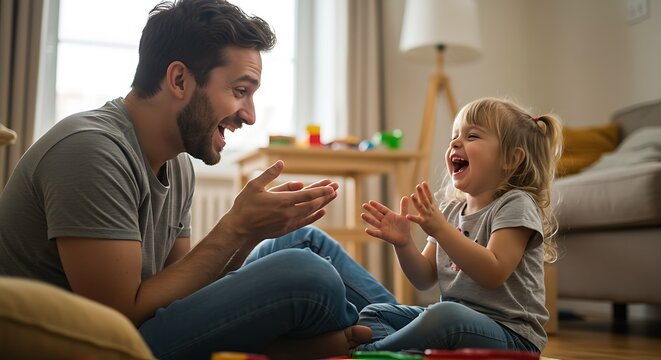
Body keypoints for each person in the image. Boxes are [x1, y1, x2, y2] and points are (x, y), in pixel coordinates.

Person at [0, 0, 397, 359]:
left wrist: (250, 235)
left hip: (144, 326)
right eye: (240, 90)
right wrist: (234, 226)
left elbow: (184, 291)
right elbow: (116, 320)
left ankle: (409, 330)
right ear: (178, 80)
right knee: (305, 272)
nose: (250, 115)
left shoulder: (177, 164)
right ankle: (397, 338)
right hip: (101, 343)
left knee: (303, 243)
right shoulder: (90, 150)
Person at [357, 97, 562, 353]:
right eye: (455, 135)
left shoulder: (516, 204)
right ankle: (401, 352)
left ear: (511, 159)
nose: (455, 142)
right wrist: (404, 243)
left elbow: (494, 272)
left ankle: (372, 354)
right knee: (374, 314)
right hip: (458, 325)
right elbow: (423, 278)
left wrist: (442, 231)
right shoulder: (451, 210)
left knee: (445, 316)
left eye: (472, 136)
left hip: (513, 338)